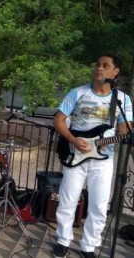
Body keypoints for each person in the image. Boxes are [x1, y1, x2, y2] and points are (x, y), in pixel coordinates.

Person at [52, 54, 133, 258]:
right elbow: (59, 121)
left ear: (115, 72)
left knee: (98, 204)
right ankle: (63, 240)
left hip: (103, 160)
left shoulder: (122, 99)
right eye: (97, 64)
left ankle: (89, 246)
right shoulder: (78, 93)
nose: (99, 68)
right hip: (76, 154)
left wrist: (126, 134)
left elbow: (124, 131)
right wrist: (73, 140)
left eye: (105, 66)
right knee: (67, 200)